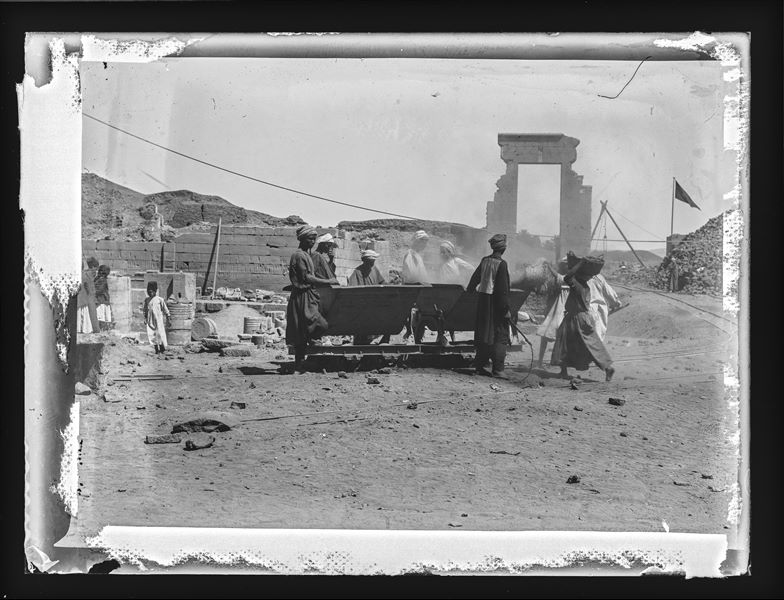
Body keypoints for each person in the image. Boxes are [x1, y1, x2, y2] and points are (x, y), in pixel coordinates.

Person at [550, 256, 615, 381]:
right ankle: (564, 371)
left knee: (571, 343)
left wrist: (580, 263)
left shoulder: (578, 284)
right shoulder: (584, 285)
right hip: (577, 317)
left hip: (577, 317)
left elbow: (567, 277)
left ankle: (607, 367)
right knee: (570, 342)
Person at [286, 225, 338, 372]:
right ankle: (300, 364)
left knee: (304, 330)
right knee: (317, 325)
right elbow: (307, 277)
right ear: (302, 239)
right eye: (310, 239)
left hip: (309, 296)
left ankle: (302, 364)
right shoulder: (299, 256)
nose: (313, 242)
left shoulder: (307, 255)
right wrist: (328, 281)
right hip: (302, 297)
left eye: (314, 239)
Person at [466, 233, 515, 379]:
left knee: (484, 334)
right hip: (495, 305)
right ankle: (498, 370)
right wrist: (505, 309)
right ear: (503, 248)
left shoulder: (485, 260)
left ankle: (479, 366)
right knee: (500, 335)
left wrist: (470, 290)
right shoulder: (502, 264)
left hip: (483, 302)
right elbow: (502, 290)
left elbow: (475, 278)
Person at [347, 249, 390, 345]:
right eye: (370, 261)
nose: (372, 264)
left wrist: (389, 286)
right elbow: (352, 289)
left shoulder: (374, 269)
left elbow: (382, 282)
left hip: (375, 302)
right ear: (365, 261)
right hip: (363, 304)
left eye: (373, 261)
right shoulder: (358, 272)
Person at [437, 241, 475, 344]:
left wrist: (465, 278)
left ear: (449, 252)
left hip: (456, 291)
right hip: (445, 291)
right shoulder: (441, 265)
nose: (442, 254)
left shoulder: (456, 261)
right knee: (443, 314)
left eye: (444, 252)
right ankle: (440, 336)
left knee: (453, 313)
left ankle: (452, 338)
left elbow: (471, 268)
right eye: (441, 252)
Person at [536, 257, 569, 368]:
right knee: (546, 333)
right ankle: (540, 361)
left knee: (560, 336)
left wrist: (549, 266)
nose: (563, 267)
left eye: (565, 265)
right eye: (563, 264)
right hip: (554, 309)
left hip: (563, 310)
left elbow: (559, 277)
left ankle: (557, 362)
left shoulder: (569, 277)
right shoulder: (555, 279)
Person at [401, 230, 431, 342]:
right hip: (414, 291)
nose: (425, 246)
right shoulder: (410, 254)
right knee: (414, 318)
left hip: (419, 291)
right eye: (424, 243)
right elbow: (412, 275)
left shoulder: (417, 255)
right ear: (418, 242)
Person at [587, 272, 621, 341]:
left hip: (580, 313)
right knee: (597, 340)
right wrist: (616, 303)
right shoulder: (598, 277)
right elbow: (609, 293)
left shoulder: (574, 278)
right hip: (597, 312)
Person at [143, 281, 170, 354]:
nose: (150, 293)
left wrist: (168, 318)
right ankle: (156, 349)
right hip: (150, 321)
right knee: (152, 334)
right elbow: (145, 310)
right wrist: (145, 318)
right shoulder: (147, 300)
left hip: (158, 320)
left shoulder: (160, 299)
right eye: (149, 292)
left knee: (160, 333)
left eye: (151, 292)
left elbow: (165, 309)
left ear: (155, 291)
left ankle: (162, 348)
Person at [77, 257, 99, 334]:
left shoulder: (83, 274)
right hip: (86, 297)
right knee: (88, 314)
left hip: (82, 298)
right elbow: (89, 287)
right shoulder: (87, 274)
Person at [94, 265, 113, 331]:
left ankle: (103, 330)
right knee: (101, 317)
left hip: (102, 301)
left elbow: (99, 290)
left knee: (102, 317)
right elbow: (98, 290)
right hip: (100, 301)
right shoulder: (100, 279)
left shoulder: (100, 279)